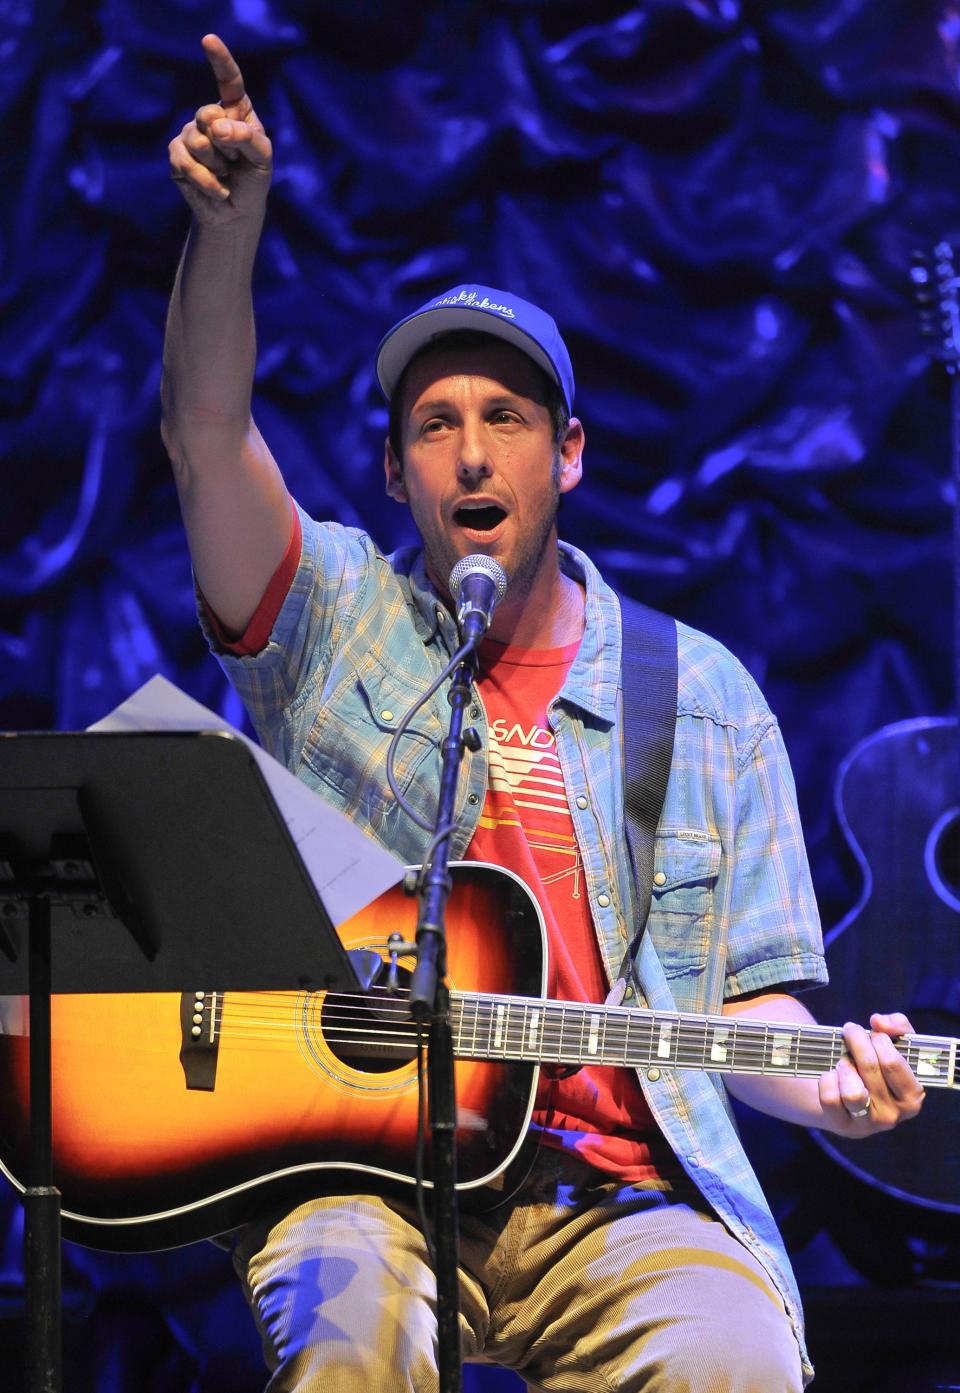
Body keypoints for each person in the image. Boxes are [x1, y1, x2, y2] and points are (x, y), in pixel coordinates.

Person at [163, 34, 926, 1393]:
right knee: (348, 1337)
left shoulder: (700, 698)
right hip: (366, 1184)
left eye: (506, 416)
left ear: (565, 454)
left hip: (622, 1206)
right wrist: (229, 234)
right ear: (396, 469)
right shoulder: (328, 619)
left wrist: (837, 1090)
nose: (470, 448)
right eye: (435, 421)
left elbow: (752, 1004)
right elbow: (209, 434)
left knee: (736, 1360)